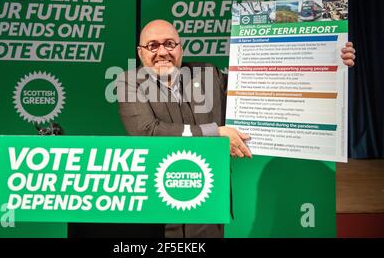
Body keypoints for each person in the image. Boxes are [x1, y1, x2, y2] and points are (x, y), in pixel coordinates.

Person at [117, 19, 356, 238]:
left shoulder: (207, 73)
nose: (162, 52)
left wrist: (331, 63)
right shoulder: (128, 82)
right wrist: (215, 132)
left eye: (170, 44)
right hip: (160, 199)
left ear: (181, 47)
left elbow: (264, 85)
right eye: (153, 45)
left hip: (208, 194)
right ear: (140, 52)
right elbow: (147, 131)